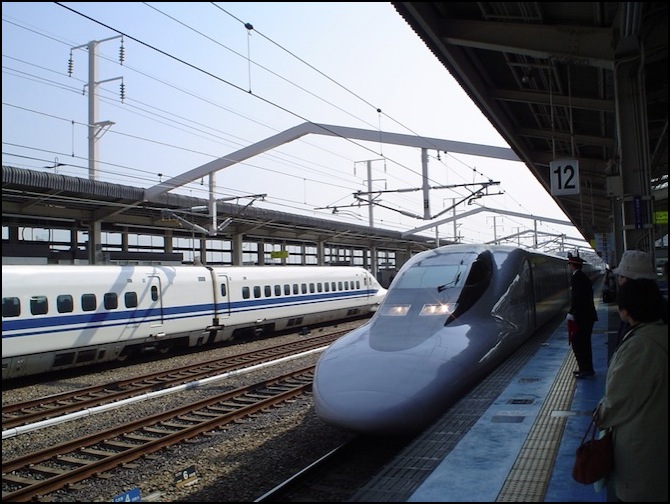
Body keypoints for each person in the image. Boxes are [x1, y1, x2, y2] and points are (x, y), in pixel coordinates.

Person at [594, 278, 668, 502]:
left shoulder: (639, 346)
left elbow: (618, 401)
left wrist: (600, 415)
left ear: (625, 311)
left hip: (645, 451)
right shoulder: (661, 333)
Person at [612, 250, 659, 348]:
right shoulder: (656, 311)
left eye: (621, 276)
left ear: (631, 282)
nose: (618, 280)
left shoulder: (639, 341)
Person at [566, 251, 597, 378]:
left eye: (570, 265)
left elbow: (577, 298)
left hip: (582, 317)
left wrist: (571, 312)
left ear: (572, 266)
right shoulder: (582, 277)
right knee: (584, 343)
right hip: (587, 316)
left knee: (578, 343)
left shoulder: (576, 278)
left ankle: (585, 369)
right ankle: (585, 368)